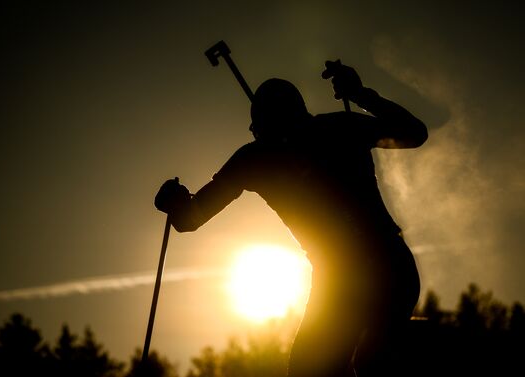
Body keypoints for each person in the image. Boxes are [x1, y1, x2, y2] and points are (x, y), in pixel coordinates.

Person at [154, 62, 427, 376]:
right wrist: (360, 94)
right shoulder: (336, 129)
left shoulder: (258, 158)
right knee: (327, 365)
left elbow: (190, 218)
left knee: (350, 363)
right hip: (373, 268)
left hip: (362, 272)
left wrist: (174, 203)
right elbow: (413, 132)